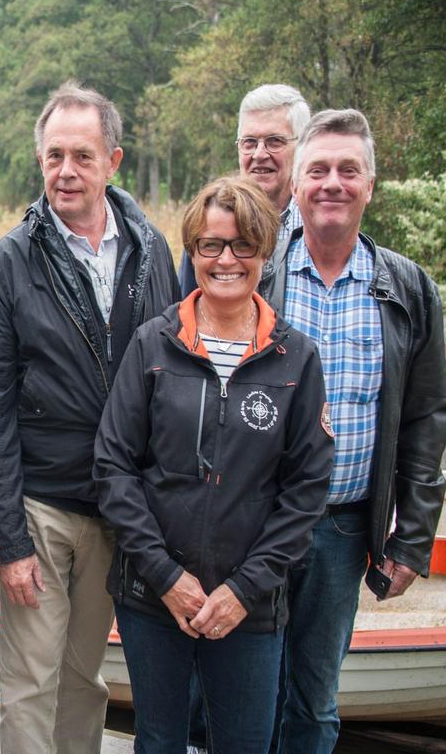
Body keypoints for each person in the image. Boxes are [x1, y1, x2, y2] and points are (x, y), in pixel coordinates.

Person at [0, 81, 180, 754]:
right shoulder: (10, 261)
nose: (66, 171)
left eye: (82, 156)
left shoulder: (152, 250)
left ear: (112, 161)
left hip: (123, 509)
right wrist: (9, 542)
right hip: (41, 506)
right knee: (30, 682)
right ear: (40, 161)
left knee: (86, 680)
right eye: (55, 155)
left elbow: (174, 379)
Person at [94, 176, 334, 753]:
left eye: (242, 245)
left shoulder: (295, 358)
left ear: (264, 251)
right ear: (193, 251)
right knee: (158, 740)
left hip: (248, 607)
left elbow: (306, 489)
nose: (226, 260)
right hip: (153, 598)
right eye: (210, 245)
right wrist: (167, 577)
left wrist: (244, 589)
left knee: (246, 744)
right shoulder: (154, 345)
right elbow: (114, 465)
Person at [271, 109, 446, 753]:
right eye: (317, 170)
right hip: (251, 523)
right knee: (240, 691)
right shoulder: (258, 275)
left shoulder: (405, 287)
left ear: (371, 184)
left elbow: (428, 415)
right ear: (294, 186)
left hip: (344, 527)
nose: (332, 184)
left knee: (315, 701)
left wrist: (414, 539)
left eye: (349, 170)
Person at [180, 84, 310, 293]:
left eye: (274, 141)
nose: (259, 154)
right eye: (249, 142)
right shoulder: (208, 224)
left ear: (303, 147)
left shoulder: (317, 226)